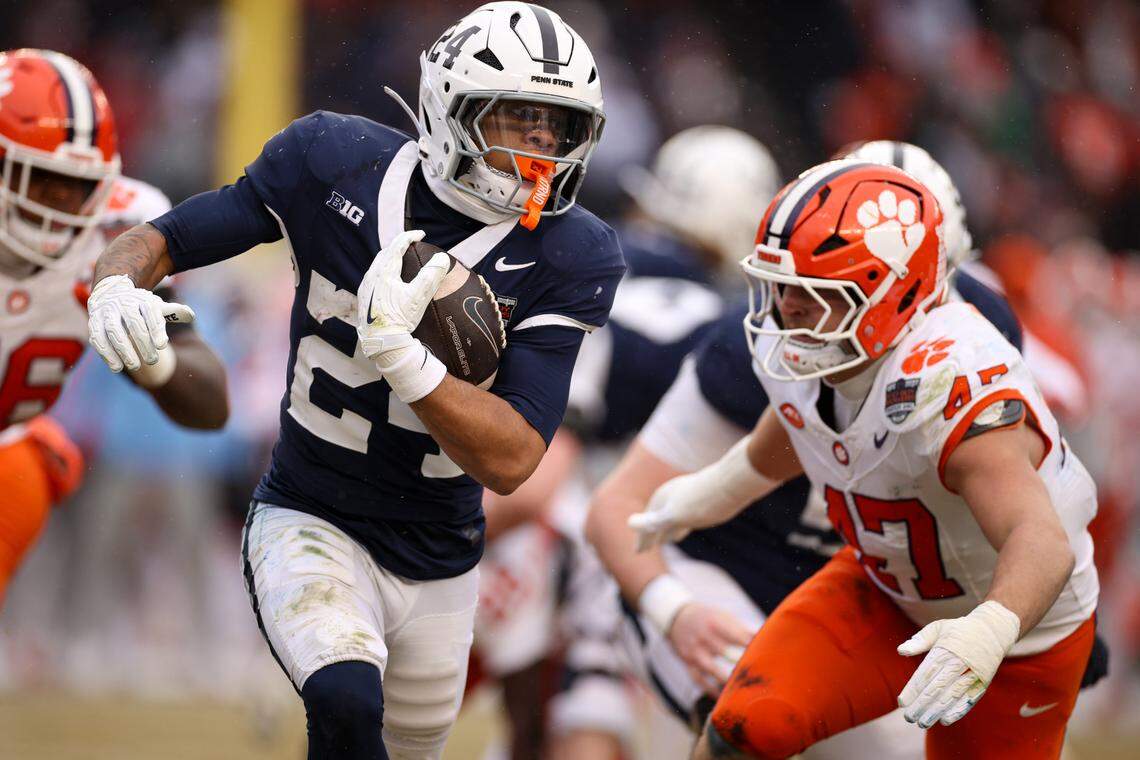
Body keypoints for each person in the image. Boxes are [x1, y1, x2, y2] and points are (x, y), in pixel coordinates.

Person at [83, 4, 624, 758]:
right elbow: (167, 237)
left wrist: (407, 361)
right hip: (312, 514)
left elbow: (512, 459)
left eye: (557, 126)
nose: (541, 145)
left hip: (441, 556)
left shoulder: (573, 253)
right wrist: (113, 283)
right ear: (451, 109)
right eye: (519, 118)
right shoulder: (335, 161)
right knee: (344, 699)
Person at [629, 160, 1098, 759]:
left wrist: (990, 629)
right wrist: (707, 494)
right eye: (783, 284)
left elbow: (1041, 540)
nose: (788, 308)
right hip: (885, 586)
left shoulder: (949, 378)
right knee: (743, 730)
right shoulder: (821, 352)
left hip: (1015, 633)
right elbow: (789, 439)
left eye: (815, 291)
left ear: (890, 293)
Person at [470, 125, 777, 760]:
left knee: (531, 721)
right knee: (592, 714)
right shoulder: (731, 324)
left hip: (531, 524)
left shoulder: (574, 268)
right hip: (608, 539)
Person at [0, 48, 228, 607]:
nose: (59, 207)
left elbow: (212, 403)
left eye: (75, 186)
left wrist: (153, 360)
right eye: (39, 180)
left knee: (22, 471)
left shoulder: (114, 234)